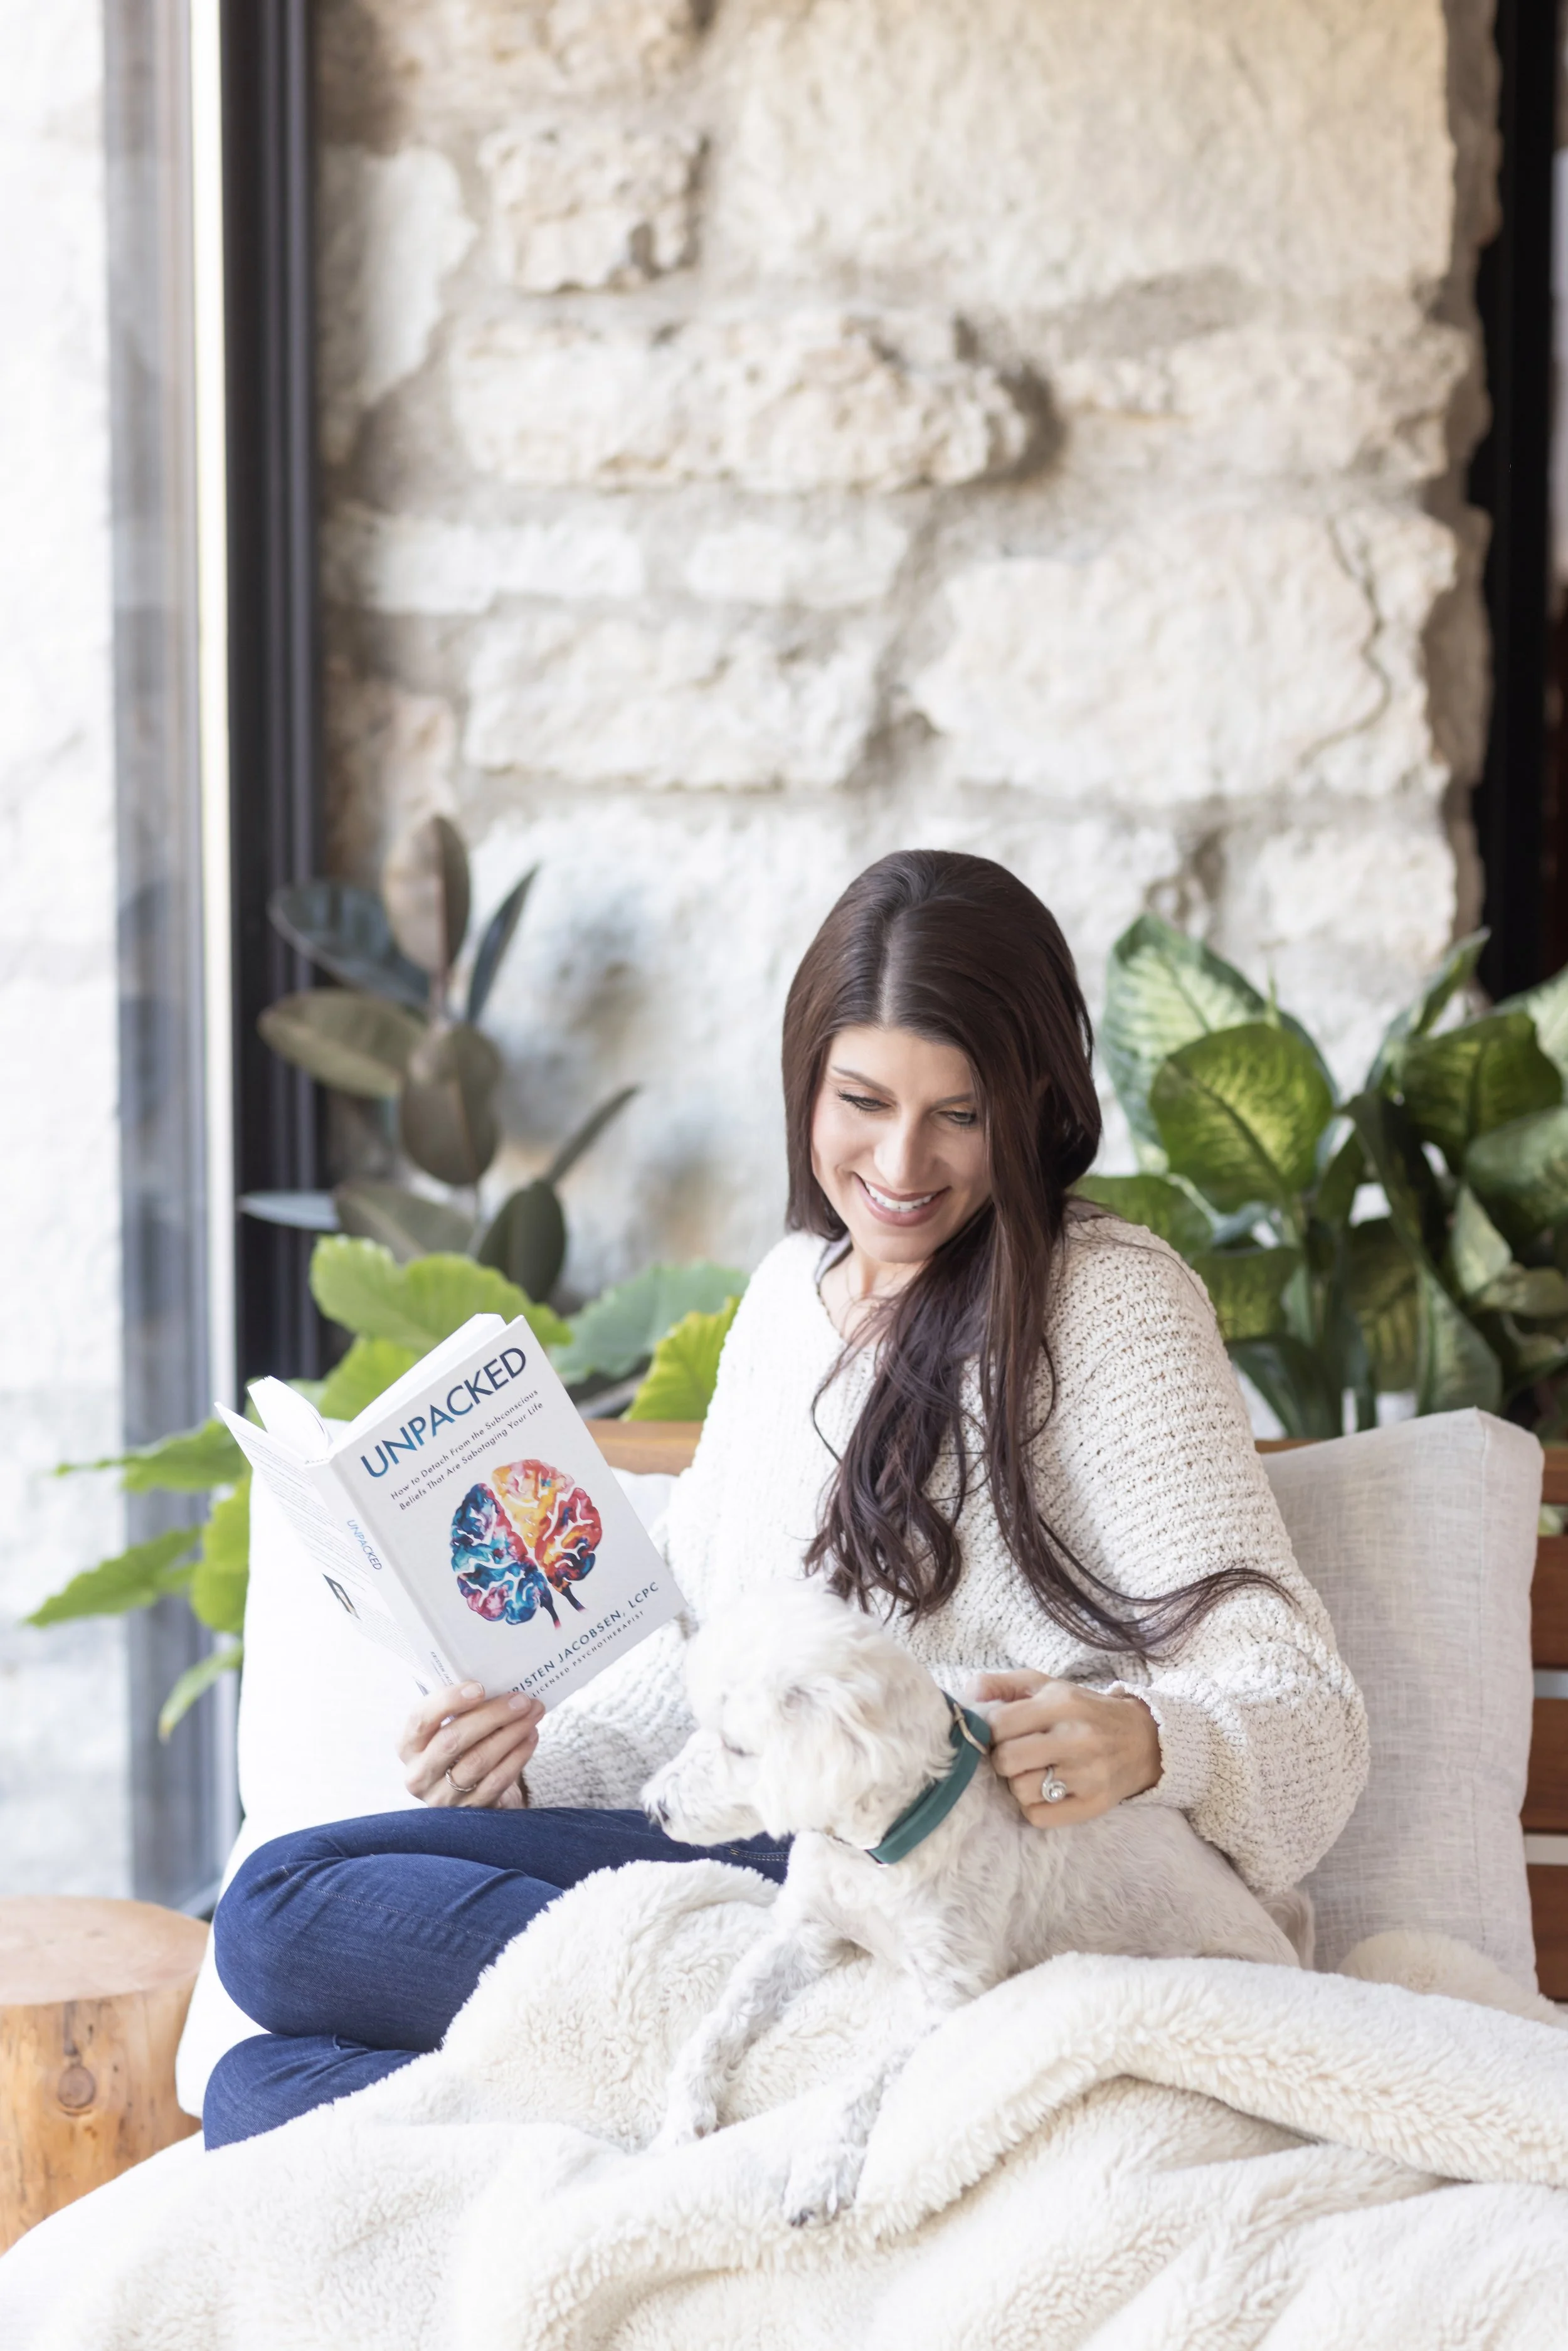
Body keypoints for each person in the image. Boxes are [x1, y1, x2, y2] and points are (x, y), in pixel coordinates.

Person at [206, 849, 1368, 2147]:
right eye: (860, 1098)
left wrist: (1153, 1737)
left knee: (278, 1912)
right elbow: (701, 1649)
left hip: (950, 1890)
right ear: (803, 1078)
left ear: (1032, 1103)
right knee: (259, 2087)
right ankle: (768, 2100)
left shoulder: (1105, 1301)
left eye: (959, 1113)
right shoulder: (785, 1295)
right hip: (770, 1865)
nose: (900, 1160)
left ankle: (836, 2067)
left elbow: (1304, 1706)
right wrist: (533, 1766)